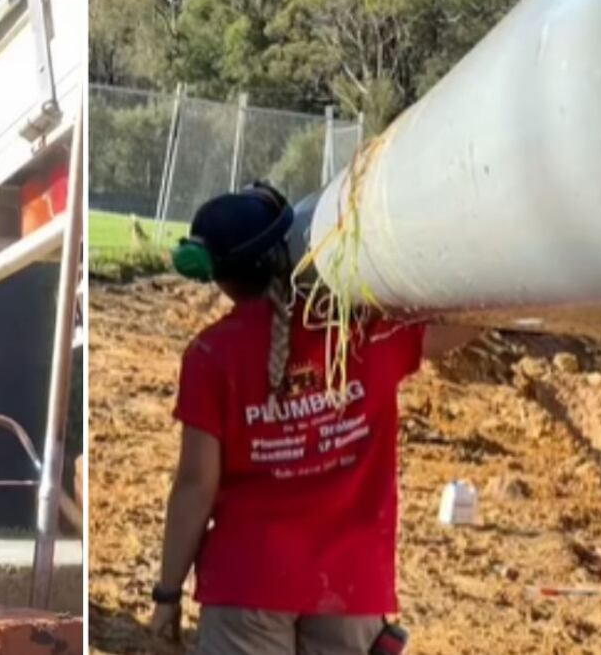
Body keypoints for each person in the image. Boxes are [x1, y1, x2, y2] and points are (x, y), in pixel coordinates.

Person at [148, 184, 480, 654]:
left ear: (220, 279)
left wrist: (167, 594)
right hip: (349, 585)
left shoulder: (209, 356)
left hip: (248, 584)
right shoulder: (362, 332)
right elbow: (465, 324)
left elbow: (195, 485)